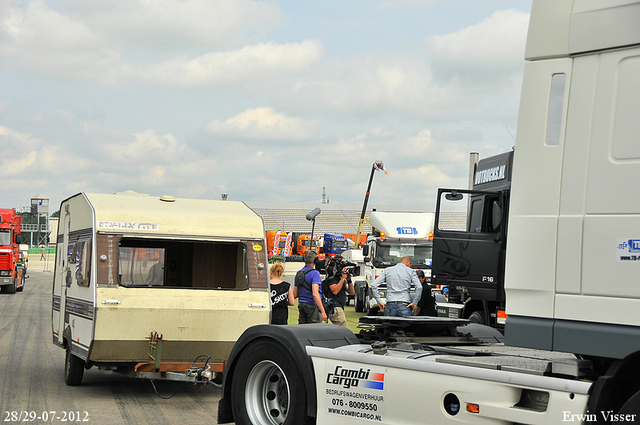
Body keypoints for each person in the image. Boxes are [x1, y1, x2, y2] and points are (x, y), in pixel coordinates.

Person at [293, 250, 327, 323]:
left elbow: (295, 294)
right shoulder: (315, 273)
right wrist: (323, 311)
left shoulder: (299, 274)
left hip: (301, 304)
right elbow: (315, 294)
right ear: (315, 260)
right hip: (312, 305)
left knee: (303, 329)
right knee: (314, 330)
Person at [323, 255, 355, 327]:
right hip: (335, 307)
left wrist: (349, 280)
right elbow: (335, 291)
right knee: (344, 330)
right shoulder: (332, 278)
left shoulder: (341, 279)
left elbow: (352, 292)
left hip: (340, 307)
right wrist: (343, 278)